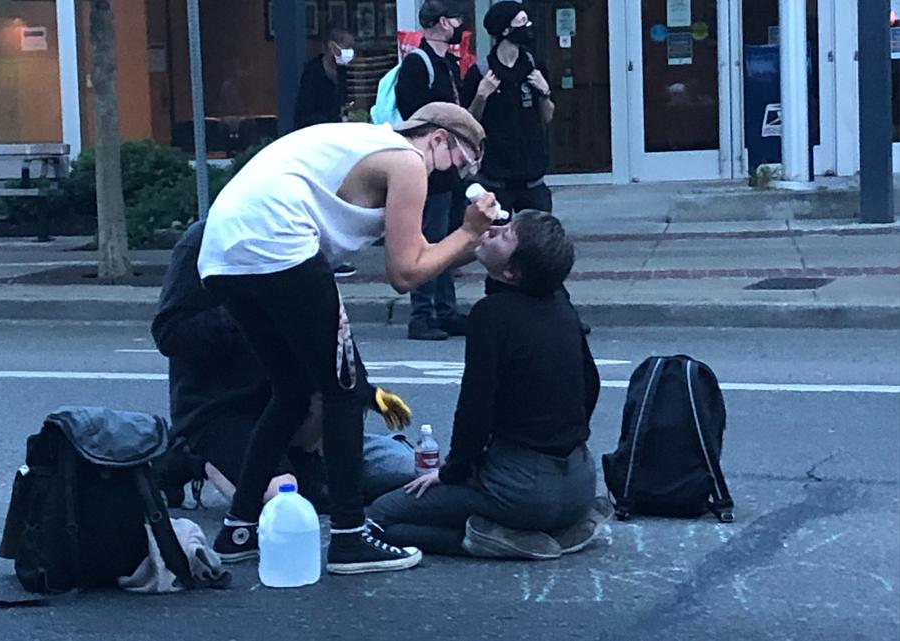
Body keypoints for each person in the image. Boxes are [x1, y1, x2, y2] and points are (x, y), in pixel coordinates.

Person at [197, 102, 497, 575]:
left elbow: (420, 257)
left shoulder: (369, 142)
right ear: (437, 139)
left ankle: (238, 529)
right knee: (344, 390)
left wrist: (466, 242)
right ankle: (350, 536)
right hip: (280, 239)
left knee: (293, 392)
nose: (456, 177)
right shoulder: (408, 161)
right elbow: (405, 273)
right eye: (459, 162)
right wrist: (469, 232)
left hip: (222, 252)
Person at [367, 211, 610, 559]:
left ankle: (496, 539)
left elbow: (475, 410)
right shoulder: (560, 305)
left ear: (512, 271)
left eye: (506, 235)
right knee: (440, 505)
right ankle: (557, 529)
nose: (493, 230)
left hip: (522, 489)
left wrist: (452, 472)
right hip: (580, 485)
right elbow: (590, 383)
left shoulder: (492, 315)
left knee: (382, 518)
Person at [151, 220, 417, 510]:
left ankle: (307, 464)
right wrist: (254, 306)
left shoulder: (302, 239)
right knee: (283, 501)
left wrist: (370, 394)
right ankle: (191, 457)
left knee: (405, 468)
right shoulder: (205, 241)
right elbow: (172, 335)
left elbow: (334, 338)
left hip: (295, 417)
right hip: (223, 410)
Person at [395, 0, 471, 341]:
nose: (458, 24)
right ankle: (422, 315)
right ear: (441, 22)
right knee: (428, 239)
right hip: (430, 168)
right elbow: (415, 118)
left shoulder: (446, 64)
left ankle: (445, 309)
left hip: (448, 167)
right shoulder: (418, 64)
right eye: (455, 19)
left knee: (448, 238)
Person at [461, 1, 556, 214]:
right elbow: (468, 122)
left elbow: (547, 117)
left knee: (538, 241)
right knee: (497, 238)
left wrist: (545, 92)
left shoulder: (534, 67)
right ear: (505, 30)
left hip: (532, 177)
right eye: (522, 22)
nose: (528, 26)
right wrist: (481, 95)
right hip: (495, 178)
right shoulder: (481, 72)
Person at [292, 27, 360, 279]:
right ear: (332, 46)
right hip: (314, 140)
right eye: (346, 46)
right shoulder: (313, 72)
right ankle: (319, 255)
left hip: (335, 142)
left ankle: (333, 255)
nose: (349, 53)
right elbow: (305, 110)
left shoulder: (342, 72)